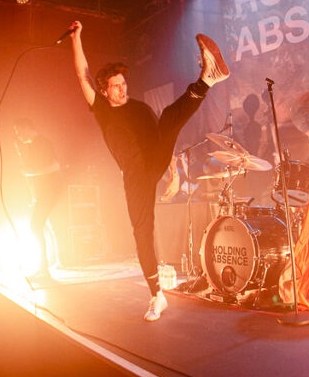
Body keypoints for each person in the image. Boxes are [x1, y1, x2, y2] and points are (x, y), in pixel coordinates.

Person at [68, 20, 231, 321]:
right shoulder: (102, 111)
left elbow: (163, 137)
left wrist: (175, 172)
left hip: (153, 163)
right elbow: (82, 75)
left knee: (169, 116)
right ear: (104, 91)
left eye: (124, 84)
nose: (122, 89)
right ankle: (157, 295)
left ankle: (207, 79)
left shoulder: (140, 109)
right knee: (142, 232)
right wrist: (76, 38)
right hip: (135, 177)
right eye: (115, 86)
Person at [13, 118, 63, 279]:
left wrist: (31, 172)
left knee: (35, 226)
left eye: (18, 131)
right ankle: (52, 263)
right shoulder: (33, 146)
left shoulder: (42, 143)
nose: (18, 136)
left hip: (50, 192)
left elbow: (56, 166)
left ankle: (44, 269)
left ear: (26, 128)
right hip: (44, 193)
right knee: (45, 227)